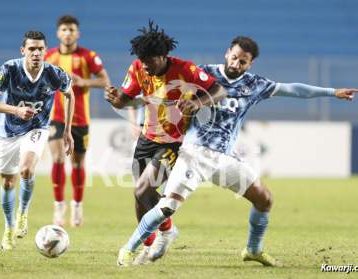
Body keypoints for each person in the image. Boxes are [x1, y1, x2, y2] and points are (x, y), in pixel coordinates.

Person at [116, 36, 358, 267]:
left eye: (242, 61)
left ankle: (253, 250)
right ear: (227, 53)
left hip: (224, 159)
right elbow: (158, 96)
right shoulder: (203, 74)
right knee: (165, 207)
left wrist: (331, 92)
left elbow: (292, 89)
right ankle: (128, 248)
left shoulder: (254, 85)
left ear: (250, 64)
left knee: (264, 200)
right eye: (233, 57)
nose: (235, 63)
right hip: (194, 154)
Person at [104, 21, 227, 265]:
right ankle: (148, 246)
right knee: (141, 197)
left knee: (142, 189)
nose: (145, 65)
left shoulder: (186, 70)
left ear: (162, 56)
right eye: (142, 60)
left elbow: (219, 90)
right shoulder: (138, 67)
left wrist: (197, 103)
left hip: (172, 143)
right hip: (146, 138)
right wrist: (115, 101)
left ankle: (167, 230)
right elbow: (125, 101)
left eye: (149, 60)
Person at [0, 31, 75, 251]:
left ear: (45, 51)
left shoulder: (54, 73)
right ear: (23, 51)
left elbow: (70, 94)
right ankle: (8, 228)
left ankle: (22, 213)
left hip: (37, 128)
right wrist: (15, 110)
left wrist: (67, 130)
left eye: (40, 49)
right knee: (8, 182)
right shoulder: (9, 69)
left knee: (26, 170)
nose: (36, 53)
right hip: (7, 131)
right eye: (31, 49)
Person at [45, 15, 110, 227]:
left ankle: (77, 206)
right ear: (58, 33)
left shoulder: (88, 56)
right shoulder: (49, 56)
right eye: (64, 29)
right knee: (57, 159)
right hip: (56, 117)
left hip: (80, 120)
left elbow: (105, 81)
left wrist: (84, 81)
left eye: (71, 30)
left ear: (77, 33)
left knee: (78, 163)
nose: (68, 33)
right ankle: (58, 207)